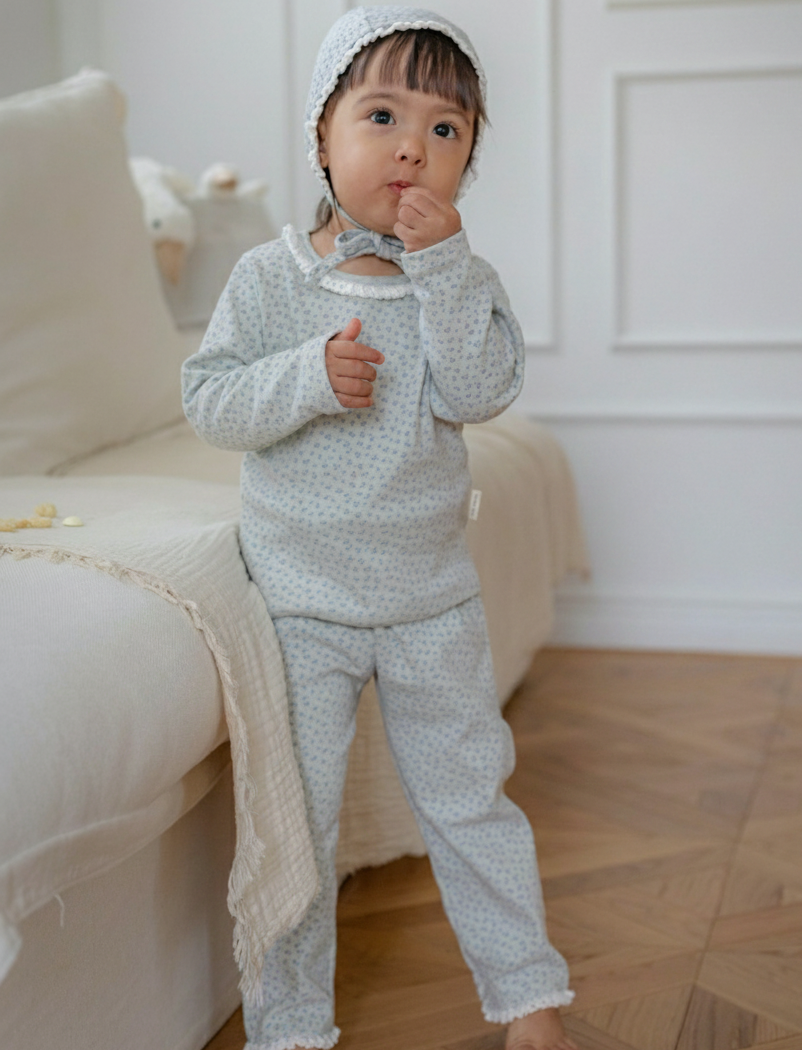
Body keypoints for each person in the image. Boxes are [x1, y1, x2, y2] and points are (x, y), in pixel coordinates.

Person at [181, 7, 576, 1050]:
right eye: (384, 115)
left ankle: (530, 999)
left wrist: (445, 271)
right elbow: (210, 401)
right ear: (323, 135)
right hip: (301, 606)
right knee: (294, 830)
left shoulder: (461, 281)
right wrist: (305, 377)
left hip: (428, 601)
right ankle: (291, 1028)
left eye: (448, 130)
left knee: (471, 803)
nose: (414, 146)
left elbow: (485, 389)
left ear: (468, 161)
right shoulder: (272, 279)